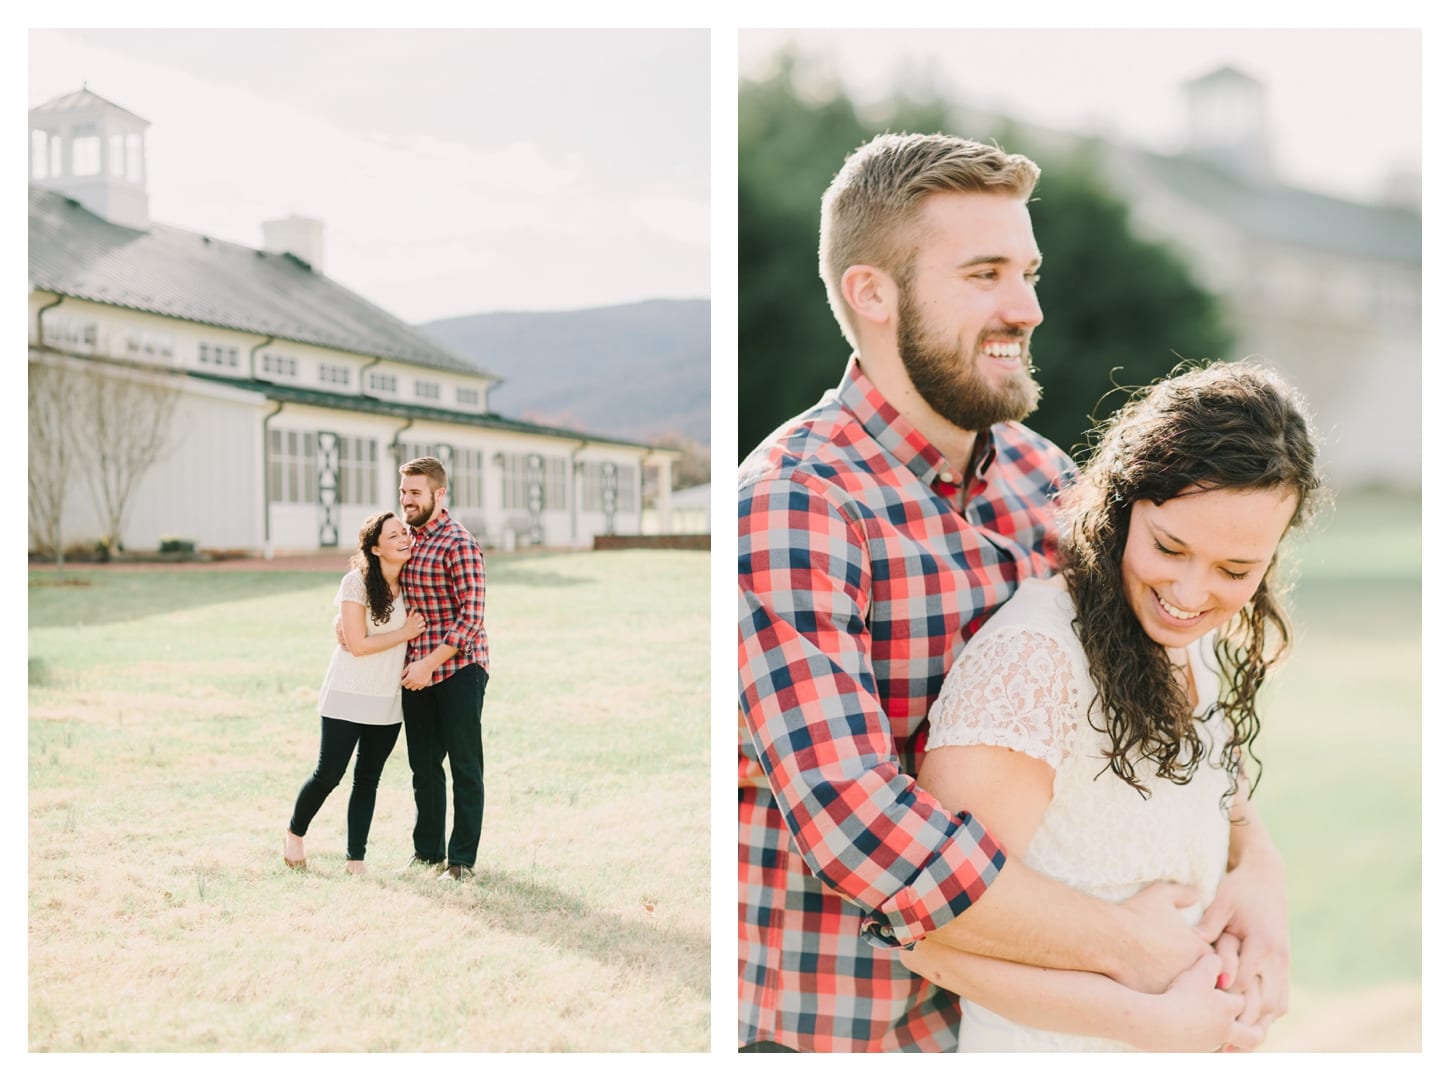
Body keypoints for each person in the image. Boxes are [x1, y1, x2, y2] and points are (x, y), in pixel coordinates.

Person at [737, 132, 1290, 1052]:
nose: (1027, 307)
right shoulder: (798, 505)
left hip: (1039, 1029)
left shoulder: (1046, 481)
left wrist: (1258, 869)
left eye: (1028, 272)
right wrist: (1131, 951)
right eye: (986, 273)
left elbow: (1155, 695)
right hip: (844, 1035)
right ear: (872, 292)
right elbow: (859, 825)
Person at [901, 360, 1322, 1051]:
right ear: (1122, 504)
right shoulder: (1034, 661)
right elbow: (931, 937)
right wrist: (1151, 1023)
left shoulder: (1193, 643)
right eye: (1170, 546)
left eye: (1235, 569)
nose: (1190, 592)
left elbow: (1221, 800)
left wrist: (1262, 878)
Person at [285, 510, 426, 874]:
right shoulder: (356, 583)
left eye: (404, 534)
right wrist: (404, 633)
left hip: (388, 700)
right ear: (376, 548)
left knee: (368, 780)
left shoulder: (415, 584)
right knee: (328, 774)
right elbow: (358, 645)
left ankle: (356, 859)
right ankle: (295, 833)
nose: (403, 539)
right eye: (393, 536)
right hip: (346, 694)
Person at [392, 456, 490, 882]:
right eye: (403, 492)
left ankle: (461, 861)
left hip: (459, 668)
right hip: (417, 673)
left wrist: (429, 664)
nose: (407, 500)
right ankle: (427, 852)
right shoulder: (404, 540)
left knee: (465, 767)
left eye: (415, 493)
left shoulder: (459, 543)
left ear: (438, 493)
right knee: (424, 768)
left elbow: (471, 618)